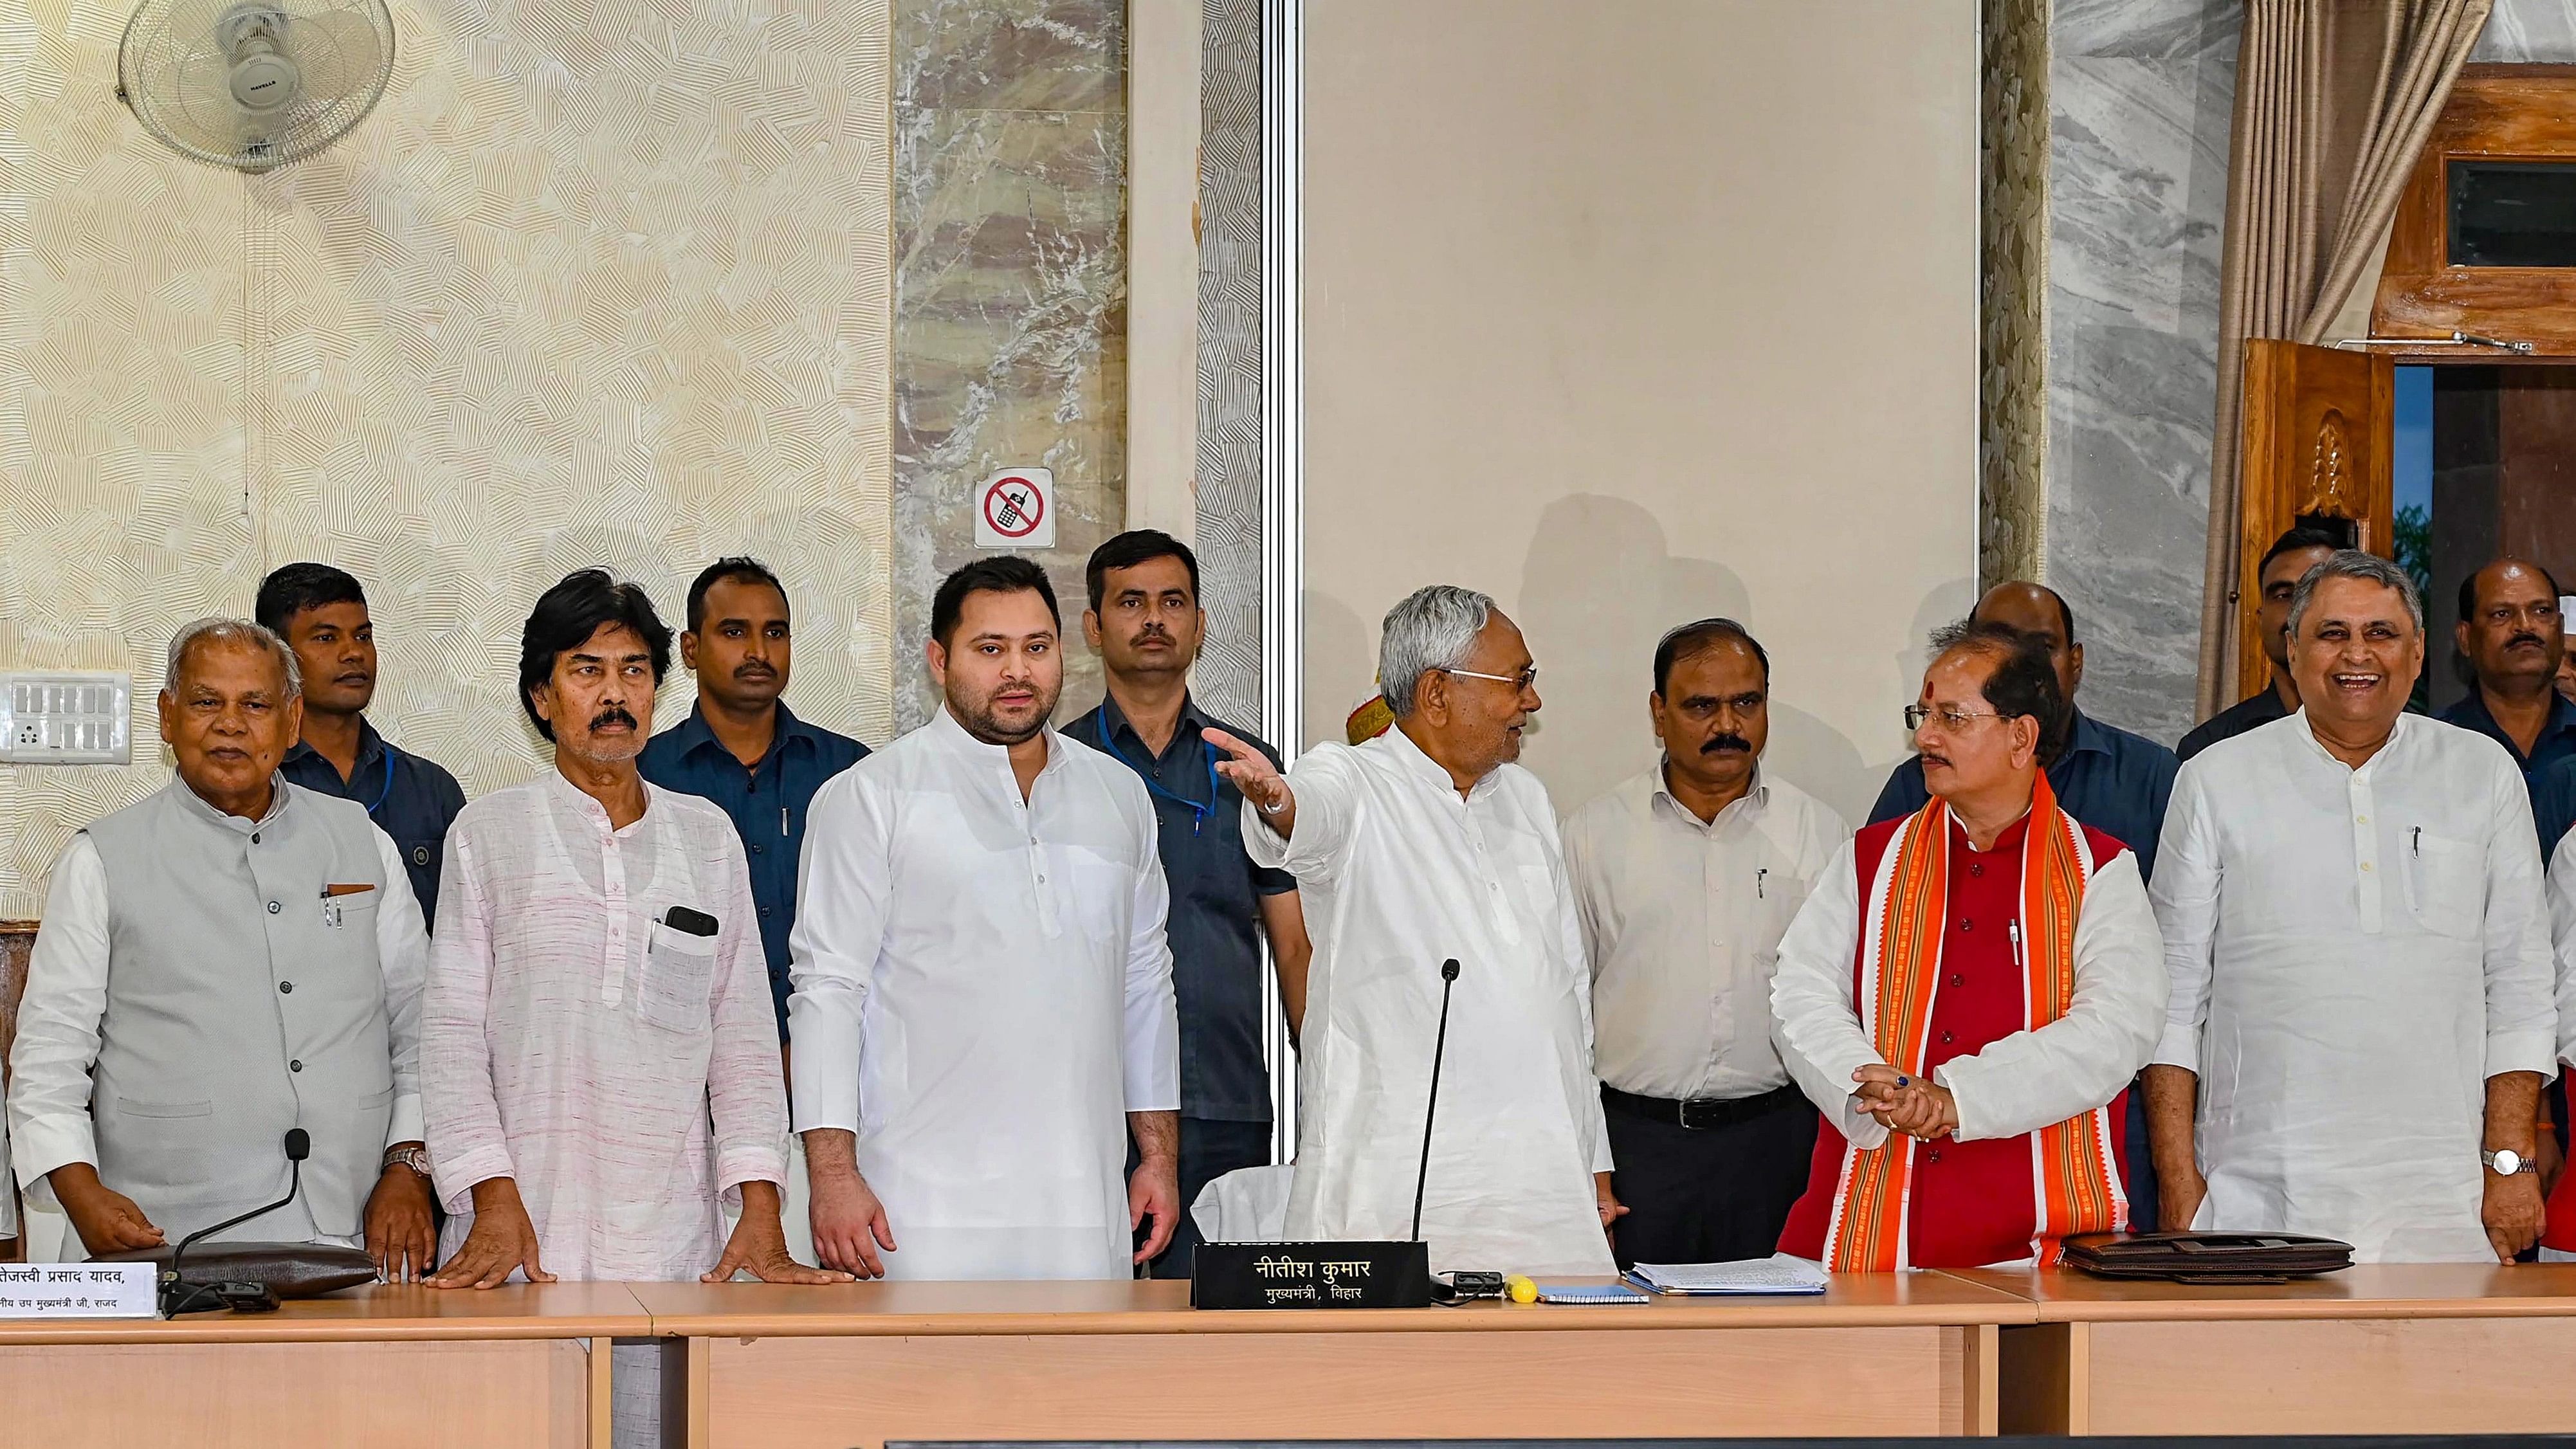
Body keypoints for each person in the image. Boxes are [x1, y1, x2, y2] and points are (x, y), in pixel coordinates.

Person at [423, 570, 830, 1289]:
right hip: (516, 1240)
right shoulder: (486, 835)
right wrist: (487, 1193)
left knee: (664, 1406)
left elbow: (742, 1041)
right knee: (519, 1407)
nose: (614, 695)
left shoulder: (706, 837)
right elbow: (451, 1038)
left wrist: (760, 1207)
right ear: (542, 698)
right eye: (587, 671)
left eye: (633, 671)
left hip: (674, 1244)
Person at [2147, 551, 2556, 1263]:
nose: (2358, 655)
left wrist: (2510, 1165)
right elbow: (2172, 1001)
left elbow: (2520, 983)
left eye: (2383, 633)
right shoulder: (2214, 779)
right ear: (2292, 648)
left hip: (2444, 1197)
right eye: (2333, 633)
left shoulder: (2481, 773)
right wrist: (2180, 1183)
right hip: (2258, 1188)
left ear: (2420, 652)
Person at [790, 556, 1182, 1280]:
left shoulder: (1119, 796)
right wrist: (833, 1176)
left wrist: (1157, 1155)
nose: (1018, 672)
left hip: (1082, 1207)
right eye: (990, 649)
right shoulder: (871, 797)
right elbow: (827, 993)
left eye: (1037, 647)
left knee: (1084, 1395)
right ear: (940, 661)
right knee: (923, 1396)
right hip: (918, 1211)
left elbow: (1143, 984)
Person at [1208, 585, 1618, 1276]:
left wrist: (1595, 1163)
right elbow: (1313, 813)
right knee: (1391, 1384)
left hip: (1541, 1190)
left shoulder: (1528, 801)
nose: (1532, 702)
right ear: (1436, 694)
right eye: (1518, 681)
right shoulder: (1354, 778)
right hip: (1396, 1186)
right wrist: (1280, 803)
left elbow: (1567, 994)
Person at [8, 619, 435, 1280]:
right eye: (207, 703)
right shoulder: (103, 859)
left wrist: (407, 1166)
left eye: (256, 705)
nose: (231, 725)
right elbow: (49, 1058)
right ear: (168, 716)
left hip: (349, 1237)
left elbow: (419, 1026)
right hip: (166, 1242)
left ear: (292, 721)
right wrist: (78, 1189)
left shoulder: (363, 843)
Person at [1772, 621, 2166, 1270]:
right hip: (1868, 1229)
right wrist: (1870, 1086)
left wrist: (1959, 1099)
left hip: (2039, 1242)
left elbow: (2116, 1030)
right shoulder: (1872, 859)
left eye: (1952, 718)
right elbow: (1799, 990)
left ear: (2021, 736)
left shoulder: (2099, 870)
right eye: (1923, 715)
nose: (1925, 736)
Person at [1868, 580, 2179, 1226]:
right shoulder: (1916, 787)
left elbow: (2167, 970)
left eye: (2040, 647)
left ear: (2076, 661)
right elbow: (1867, 952)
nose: (2022, 666)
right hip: (1938, 1123)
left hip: (2103, 1116)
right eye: (1997, 646)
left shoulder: (2150, 777)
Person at [1066, 530, 1312, 1278]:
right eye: (1131, 602)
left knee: (1213, 1336)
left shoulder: (1245, 767)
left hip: (1222, 1096)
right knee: (1076, 1325)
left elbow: (1294, 945)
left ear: (1201, 625)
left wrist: (1326, 1084)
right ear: (1093, 625)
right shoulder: (1054, 767)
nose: (1153, 620)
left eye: (1173, 603)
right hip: (1080, 1102)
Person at [1562, 618, 1845, 1266]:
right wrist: (1590, 1159)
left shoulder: (1820, 835)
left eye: (1747, 702)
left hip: (1780, 1147)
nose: (1728, 724)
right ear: (1658, 714)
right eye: (1701, 706)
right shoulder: (1592, 837)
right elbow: (1563, 1009)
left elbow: (1842, 1001)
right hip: (1638, 1151)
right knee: (1640, 1356)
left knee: (1785, 1356)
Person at [638, 557, 869, 1040]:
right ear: (690, 648)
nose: (759, 651)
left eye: (776, 633)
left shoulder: (851, 773)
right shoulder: (644, 776)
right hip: (685, 1064)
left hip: (833, 1057)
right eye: (735, 632)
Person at [258, 563, 470, 926]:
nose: (353, 653)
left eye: (362, 636)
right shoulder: (257, 786)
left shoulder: (431, 790)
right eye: (327, 638)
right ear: (278, 656)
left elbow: (463, 937)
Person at [2177, 527, 2342, 762]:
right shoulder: (2210, 749)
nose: (2299, 611)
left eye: (2317, 591)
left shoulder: (2408, 738)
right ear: (2260, 619)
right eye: (2284, 595)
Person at [2441, 560, 2576, 818]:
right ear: (2465, 638)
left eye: (2542, 611)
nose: (2525, 626)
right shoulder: (2433, 747)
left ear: (2560, 629)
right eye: (2502, 614)